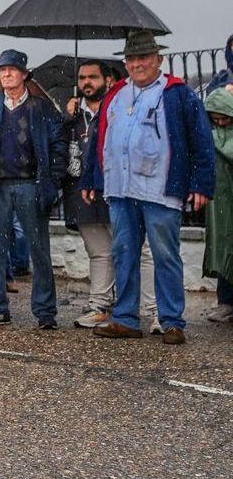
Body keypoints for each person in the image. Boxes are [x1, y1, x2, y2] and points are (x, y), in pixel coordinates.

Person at [84, 32, 217, 345]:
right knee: (124, 253)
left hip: (160, 189)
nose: (137, 63)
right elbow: (99, 140)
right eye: (131, 58)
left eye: (144, 57)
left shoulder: (178, 94)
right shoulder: (116, 93)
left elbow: (201, 141)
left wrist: (201, 183)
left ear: (159, 59)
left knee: (165, 255)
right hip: (121, 187)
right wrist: (91, 178)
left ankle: (172, 321)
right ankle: (126, 318)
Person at [0, 50, 64, 329]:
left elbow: (57, 145)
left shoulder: (41, 108)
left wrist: (53, 179)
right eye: (1, 70)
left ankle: (45, 312)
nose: (5, 74)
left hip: (31, 184)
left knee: (39, 249)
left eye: (12, 70)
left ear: (24, 74)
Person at [65, 60, 119, 328]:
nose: (87, 82)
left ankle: (145, 308)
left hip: (114, 188)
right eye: (83, 78)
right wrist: (68, 116)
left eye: (93, 77)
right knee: (98, 251)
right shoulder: (75, 115)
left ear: (107, 80)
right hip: (81, 192)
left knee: (131, 250)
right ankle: (99, 304)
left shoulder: (116, 108)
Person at [203, 87, 233, 322]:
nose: (221, 123)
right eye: (216, 118)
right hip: (220, 202)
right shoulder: (208, 135)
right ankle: (226, 301)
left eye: (225, 118)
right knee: (223, 248)